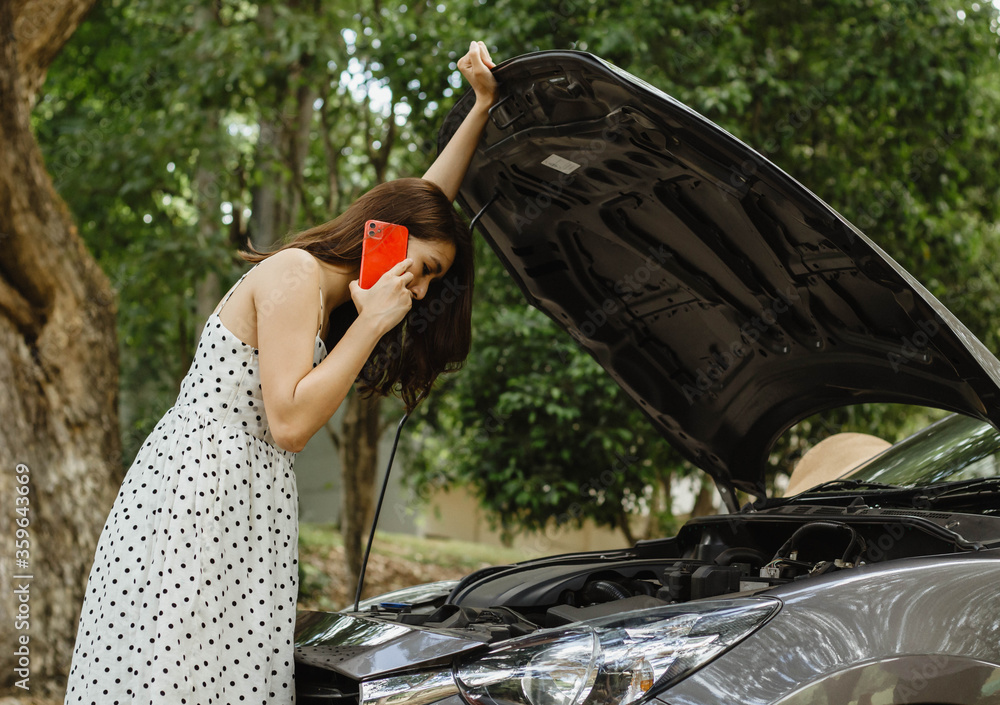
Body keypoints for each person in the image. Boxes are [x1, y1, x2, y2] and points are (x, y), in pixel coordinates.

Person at [64, 40, 497, 705]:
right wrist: (377, 320)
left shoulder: (337, 303)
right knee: (175, 680)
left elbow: (430, 198)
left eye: (430, 278)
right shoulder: (296, 275)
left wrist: (481, 107)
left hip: (249, 500)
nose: (417, 284)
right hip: (202, 496)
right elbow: (290, 419)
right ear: (387, 228)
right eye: (423, 264)